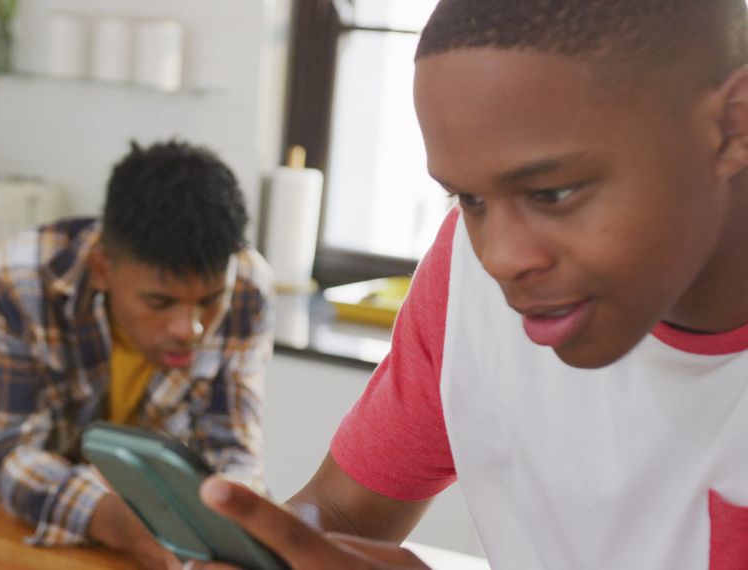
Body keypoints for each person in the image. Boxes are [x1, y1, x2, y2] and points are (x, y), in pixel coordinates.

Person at [196, 1, 748, 569]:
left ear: (730, 124)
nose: (500, 257)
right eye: (470, 198)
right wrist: (275, 553)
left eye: (553, 193)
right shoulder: (463, 270)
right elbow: (340, 512)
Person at [0, 140, 274, 568]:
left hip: (145, 522)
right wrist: (125, 526)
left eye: (210, 300)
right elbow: (11, 454)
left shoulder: (249, 288)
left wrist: (229, 525)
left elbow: (233, 450)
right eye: (160, 303)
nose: (189, 329)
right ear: (103, 269)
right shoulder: (22, 274)